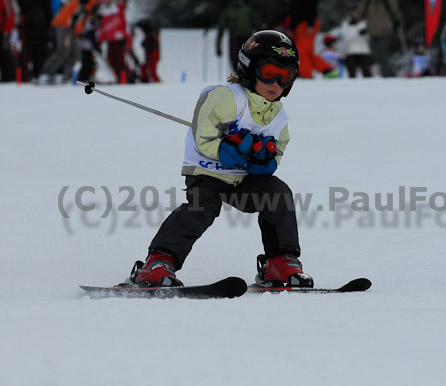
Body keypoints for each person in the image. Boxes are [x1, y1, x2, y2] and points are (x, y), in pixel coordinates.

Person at [125, 30, 314, 289]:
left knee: (277, 193)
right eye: (269, 73)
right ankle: (158, 261)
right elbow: (203, 136)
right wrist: (229, 150)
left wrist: (264, 160)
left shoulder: (278, 116)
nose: (276, 84)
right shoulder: (227, 97)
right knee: (203, 206)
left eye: (286, 76)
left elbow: (277, 151)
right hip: (208, 173)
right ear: (249, 69)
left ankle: (280, 262)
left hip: (244, 180)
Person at [351, 0, 402, 77]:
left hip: (385, 31)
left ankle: (387, 74)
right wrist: (354, 19)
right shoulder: (368, 2)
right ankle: (389, 72)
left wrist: (398, 20)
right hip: (372, 32)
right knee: (375, 53)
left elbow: (394, 9)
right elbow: (360, 10)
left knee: (381, 52)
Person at [216, 0, 260, 72]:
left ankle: (244, 77)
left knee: (247, 60)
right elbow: (221, 29)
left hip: (247, 39)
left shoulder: (248, 10)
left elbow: (257, 26)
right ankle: (239, 77)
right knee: (238, 60)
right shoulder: (229, 11)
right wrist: (218, 47)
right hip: (235, 39)